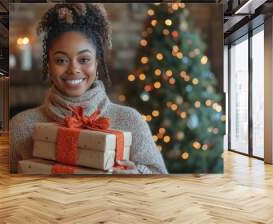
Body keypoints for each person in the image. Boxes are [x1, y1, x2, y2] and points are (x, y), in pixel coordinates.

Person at [10, 3, 168, 174]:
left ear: (97, 62)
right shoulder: (21, 126)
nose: (73, 69)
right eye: (61, 60)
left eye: (84, 59)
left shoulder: (130, 121)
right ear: (49, 64)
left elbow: (161, 182)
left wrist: (138, 175)